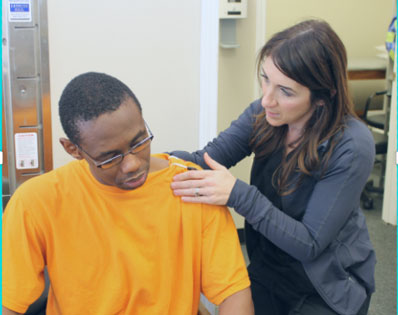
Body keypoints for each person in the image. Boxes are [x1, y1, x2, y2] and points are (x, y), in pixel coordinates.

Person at [2, 72, 254, 315]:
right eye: (110, 157)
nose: (132, 164)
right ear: (73, 149)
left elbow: (233, 294)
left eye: (139, 141)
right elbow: (9, 303)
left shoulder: (192, 186)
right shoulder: (36, 201)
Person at [170, 19, 376, 315]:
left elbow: (310, 244)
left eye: (286, 92)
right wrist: (138, 155)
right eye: (265, 79)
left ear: (322, 96)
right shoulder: (264, 114)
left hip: (327, 285)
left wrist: (236, 194)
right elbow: (203, 161)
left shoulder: (352, 144)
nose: (267, 99)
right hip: (270, 269)